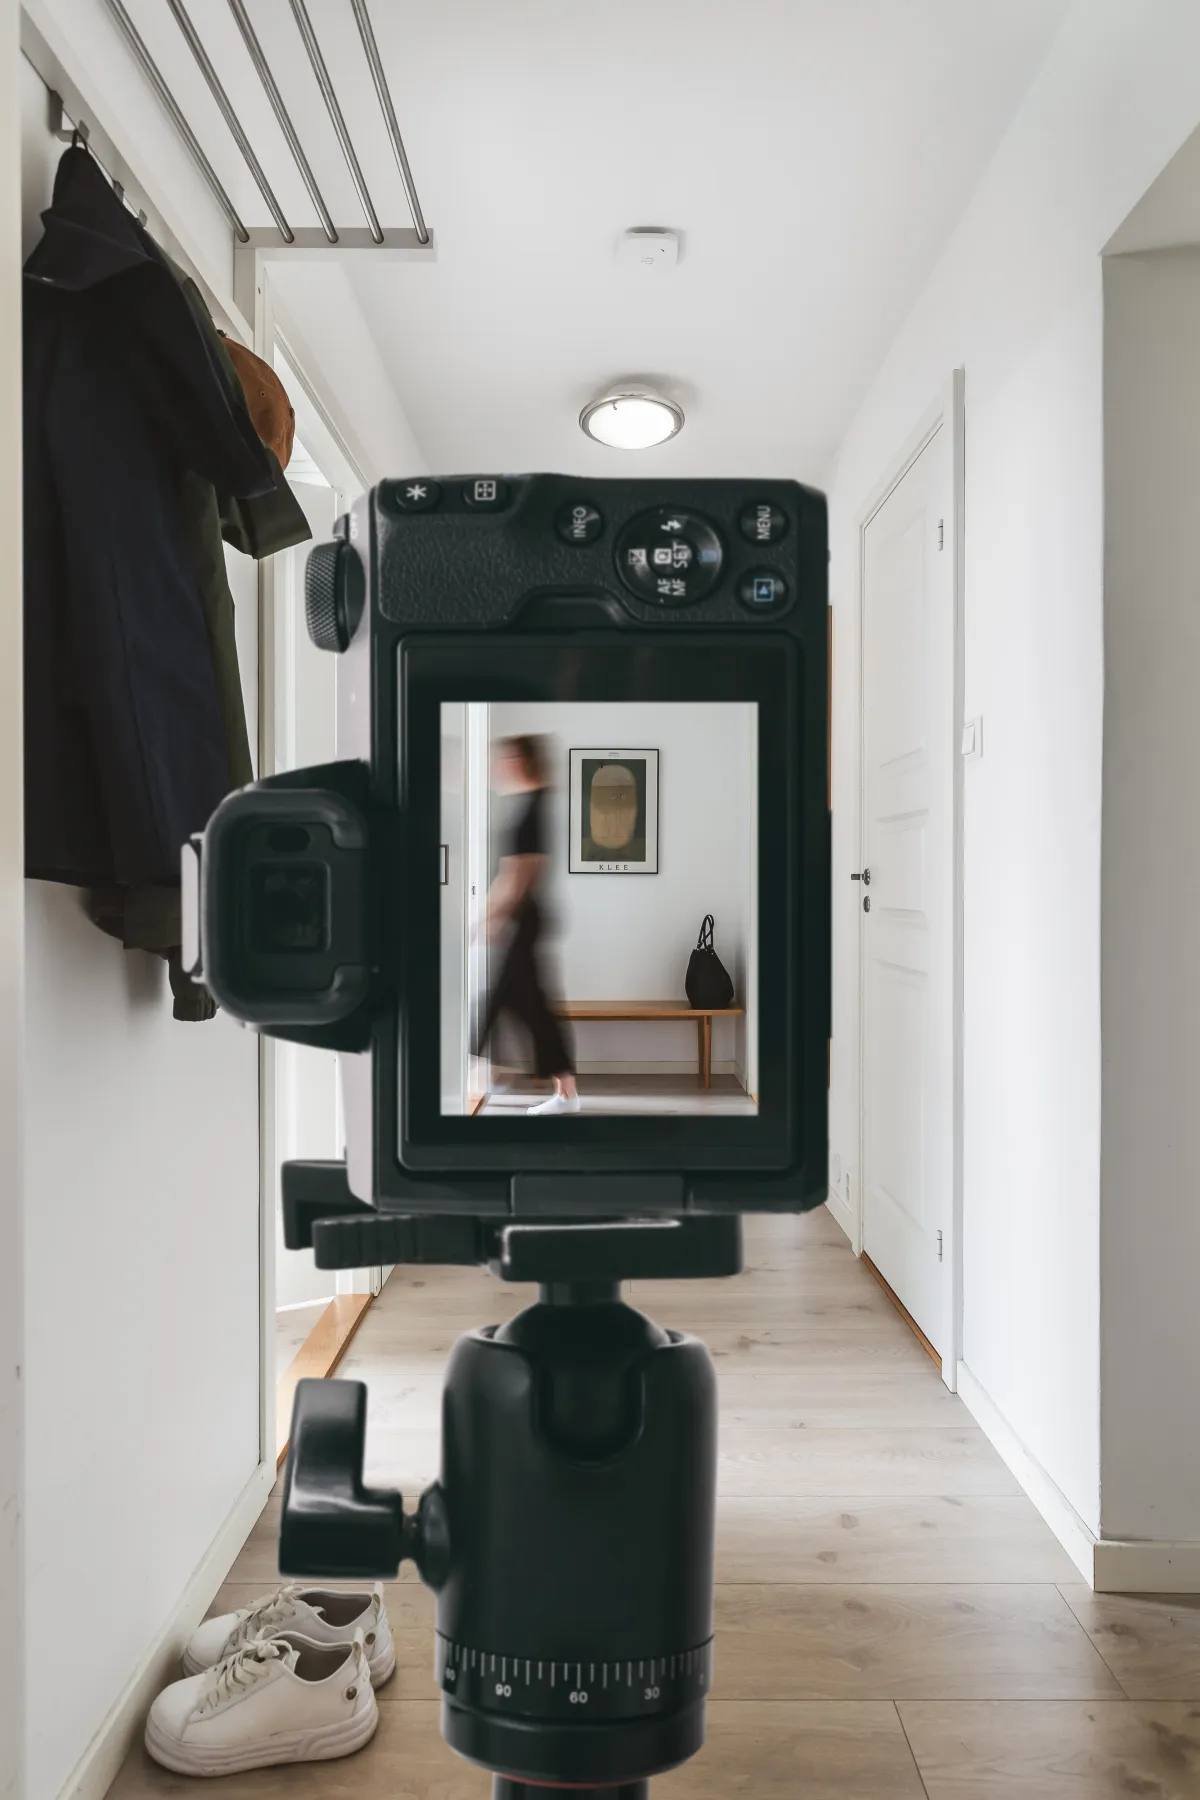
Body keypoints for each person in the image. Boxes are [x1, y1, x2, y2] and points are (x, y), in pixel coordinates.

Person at [477, 735, 579, 1116]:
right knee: (527, 1004)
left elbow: (519, 874)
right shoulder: (532, 803)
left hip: (523, 919)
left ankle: (478, 1072)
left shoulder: (531, 807)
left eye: (505, 759)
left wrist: (489, 915)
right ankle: (562, 1093)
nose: (499, 767)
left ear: (520, 762)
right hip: (524, 917)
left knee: (511, 1001)